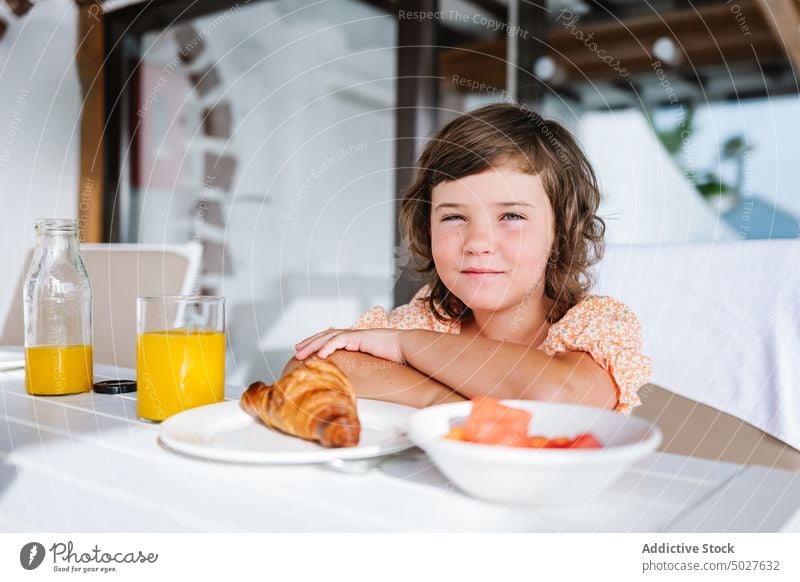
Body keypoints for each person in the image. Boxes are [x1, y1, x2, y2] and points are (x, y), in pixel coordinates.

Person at [285, 103, 651, 414]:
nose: (478, 243)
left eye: (512, 216)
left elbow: (558, 396)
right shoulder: (430, 319)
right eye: (454, 217)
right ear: (426, 228)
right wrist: (440, 399)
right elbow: (306, 368)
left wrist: (404, 345)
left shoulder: (598, 325)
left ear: (561, 231)